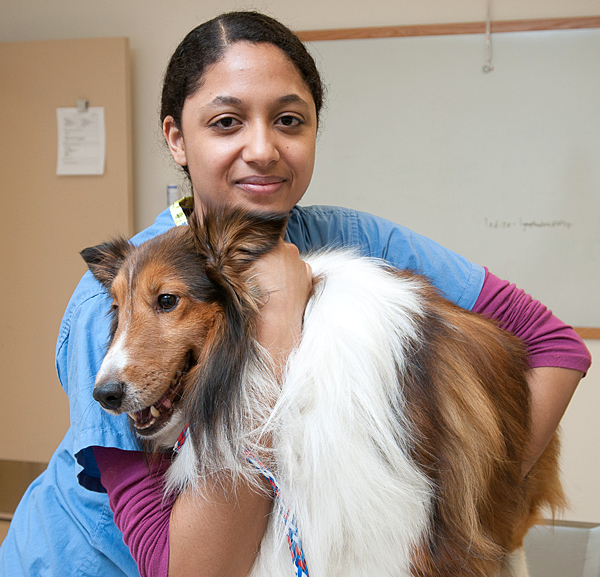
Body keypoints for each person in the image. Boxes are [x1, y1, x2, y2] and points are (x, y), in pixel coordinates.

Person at [0, 11, 591, 577]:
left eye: (289, 120)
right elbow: (192, 570)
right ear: (177, 139)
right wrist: (276, 328)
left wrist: (467, 507)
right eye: (226, 122)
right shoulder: (111, 301)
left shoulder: (354, 239)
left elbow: (555, 347)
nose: (263, 149)